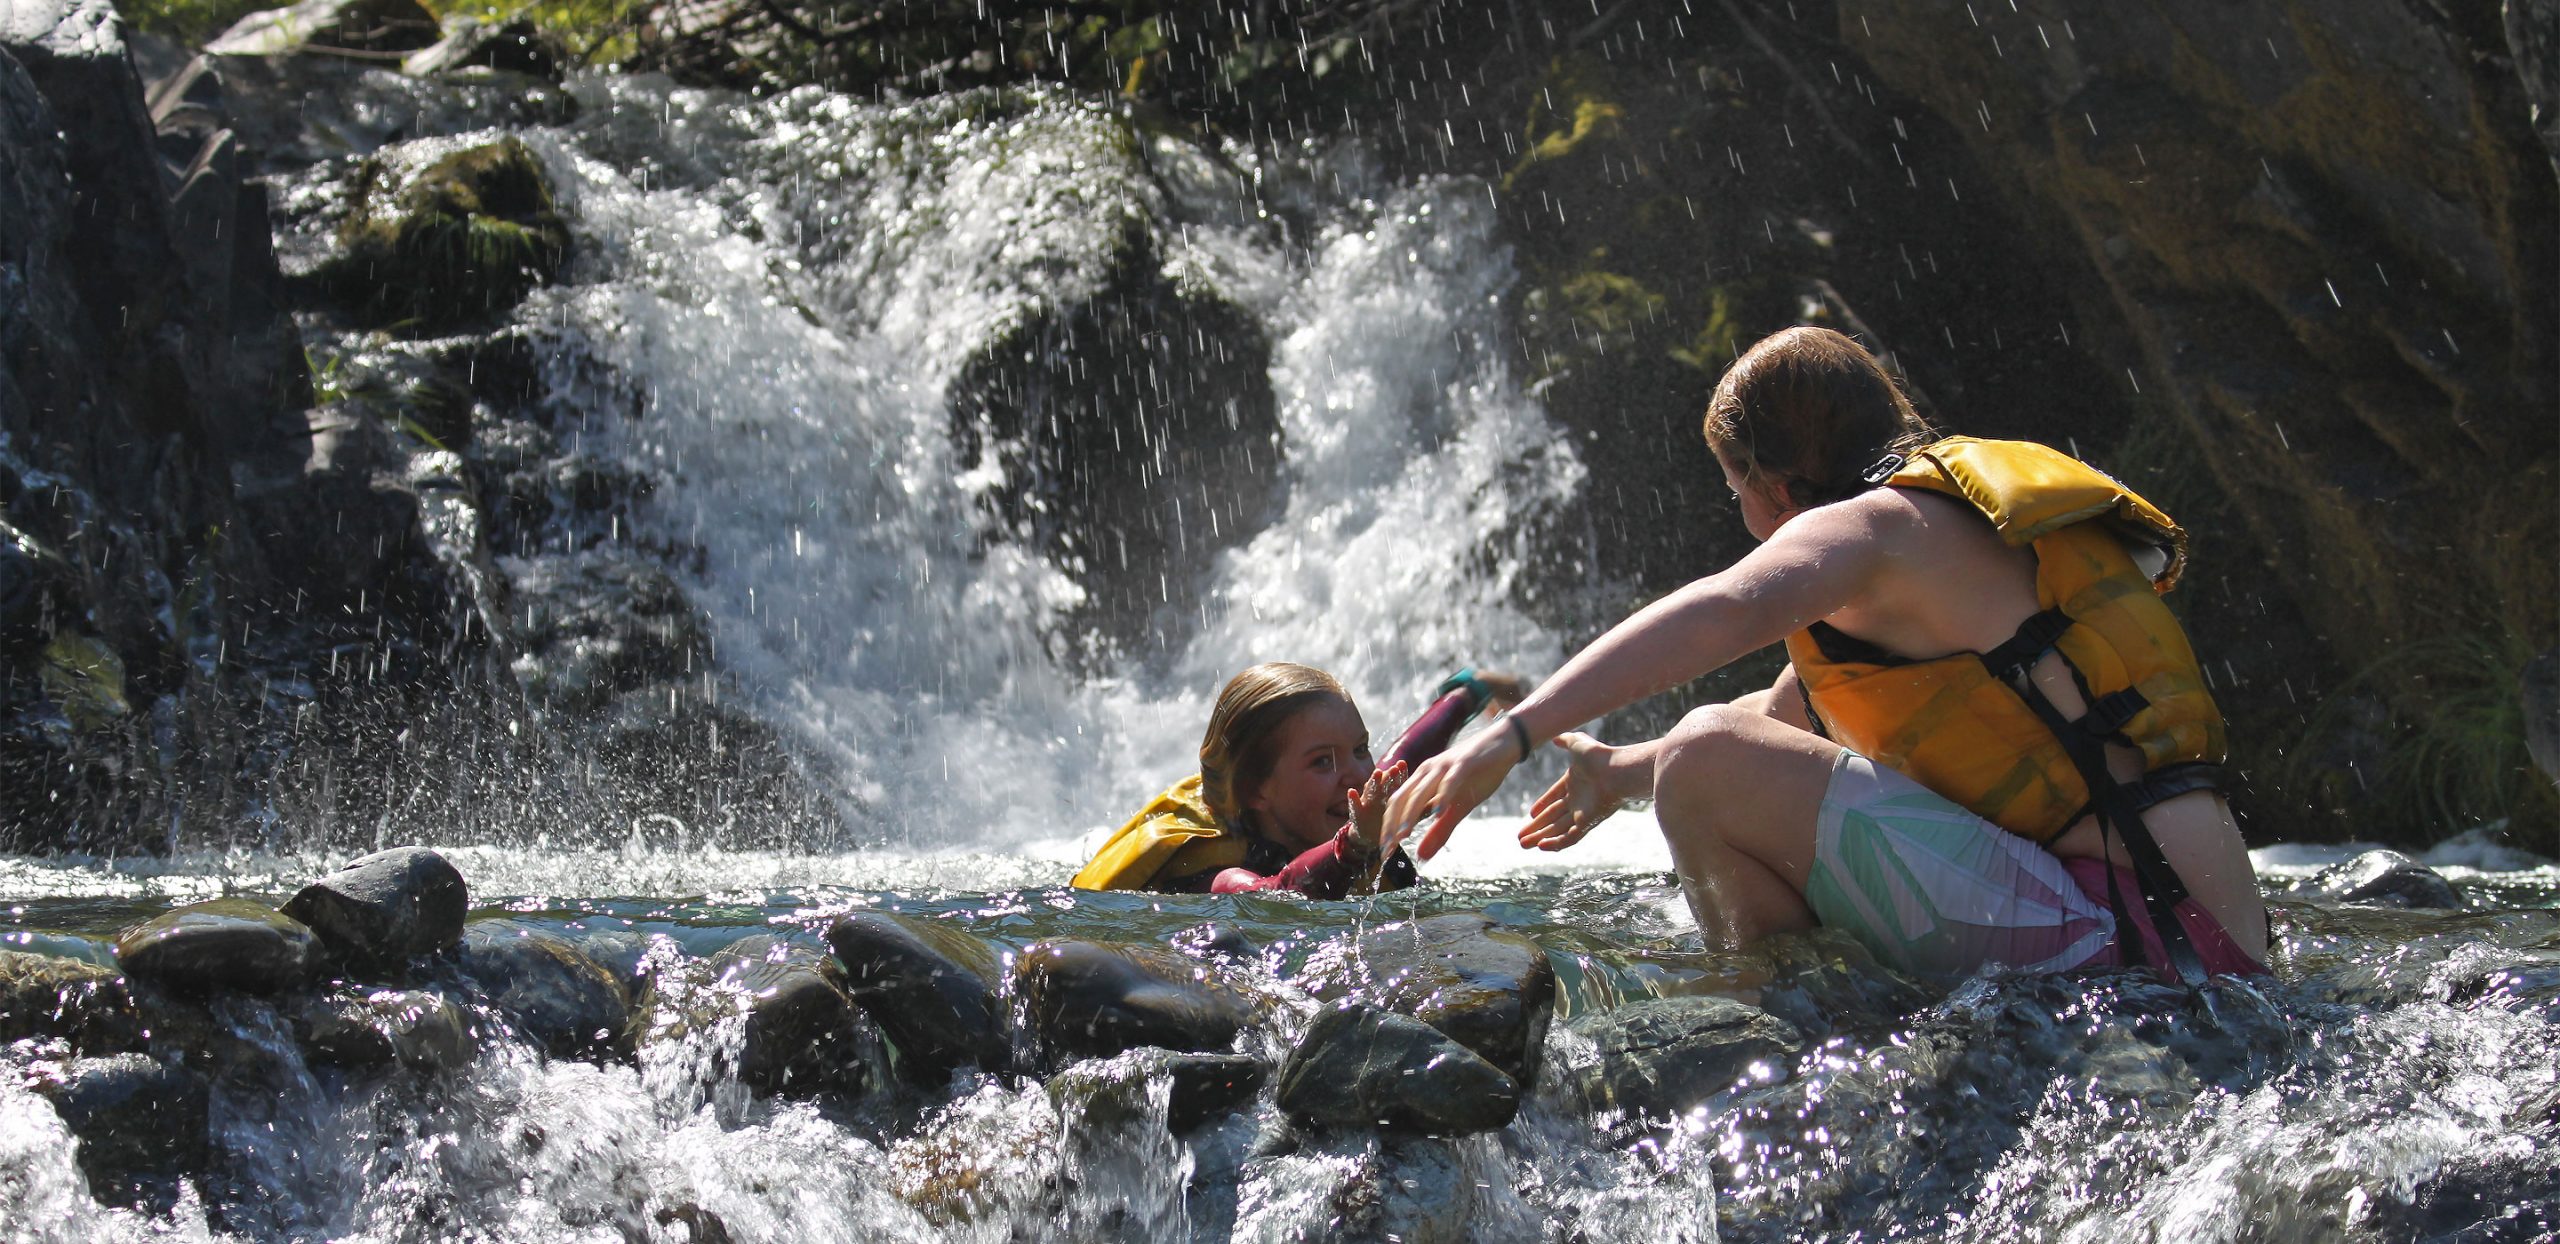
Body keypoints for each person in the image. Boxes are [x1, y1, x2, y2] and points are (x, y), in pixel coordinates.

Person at [1382, 326, 2268, 982]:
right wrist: (1617, 772)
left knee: (1701, 753)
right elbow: (1771, 734)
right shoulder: (1946, 547)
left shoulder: (1875, 529)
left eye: (1737, 494)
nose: (1745, 517)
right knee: (1706, 749)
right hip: (2204, 931)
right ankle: (1807, 992)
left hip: (2131, 933)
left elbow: (1728, 611)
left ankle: (1777, 1009)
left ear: (1773, 489)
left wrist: (1514, 736)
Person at [1074, 664, 1515, 897]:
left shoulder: (1346, 802)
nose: (1358, 774)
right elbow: (1276, 894)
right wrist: (1356, 844)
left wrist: (1465, 698)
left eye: (1359, 749)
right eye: (1322, 762)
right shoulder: (1215, 875)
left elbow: (1404, 761)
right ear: (1255, 791)